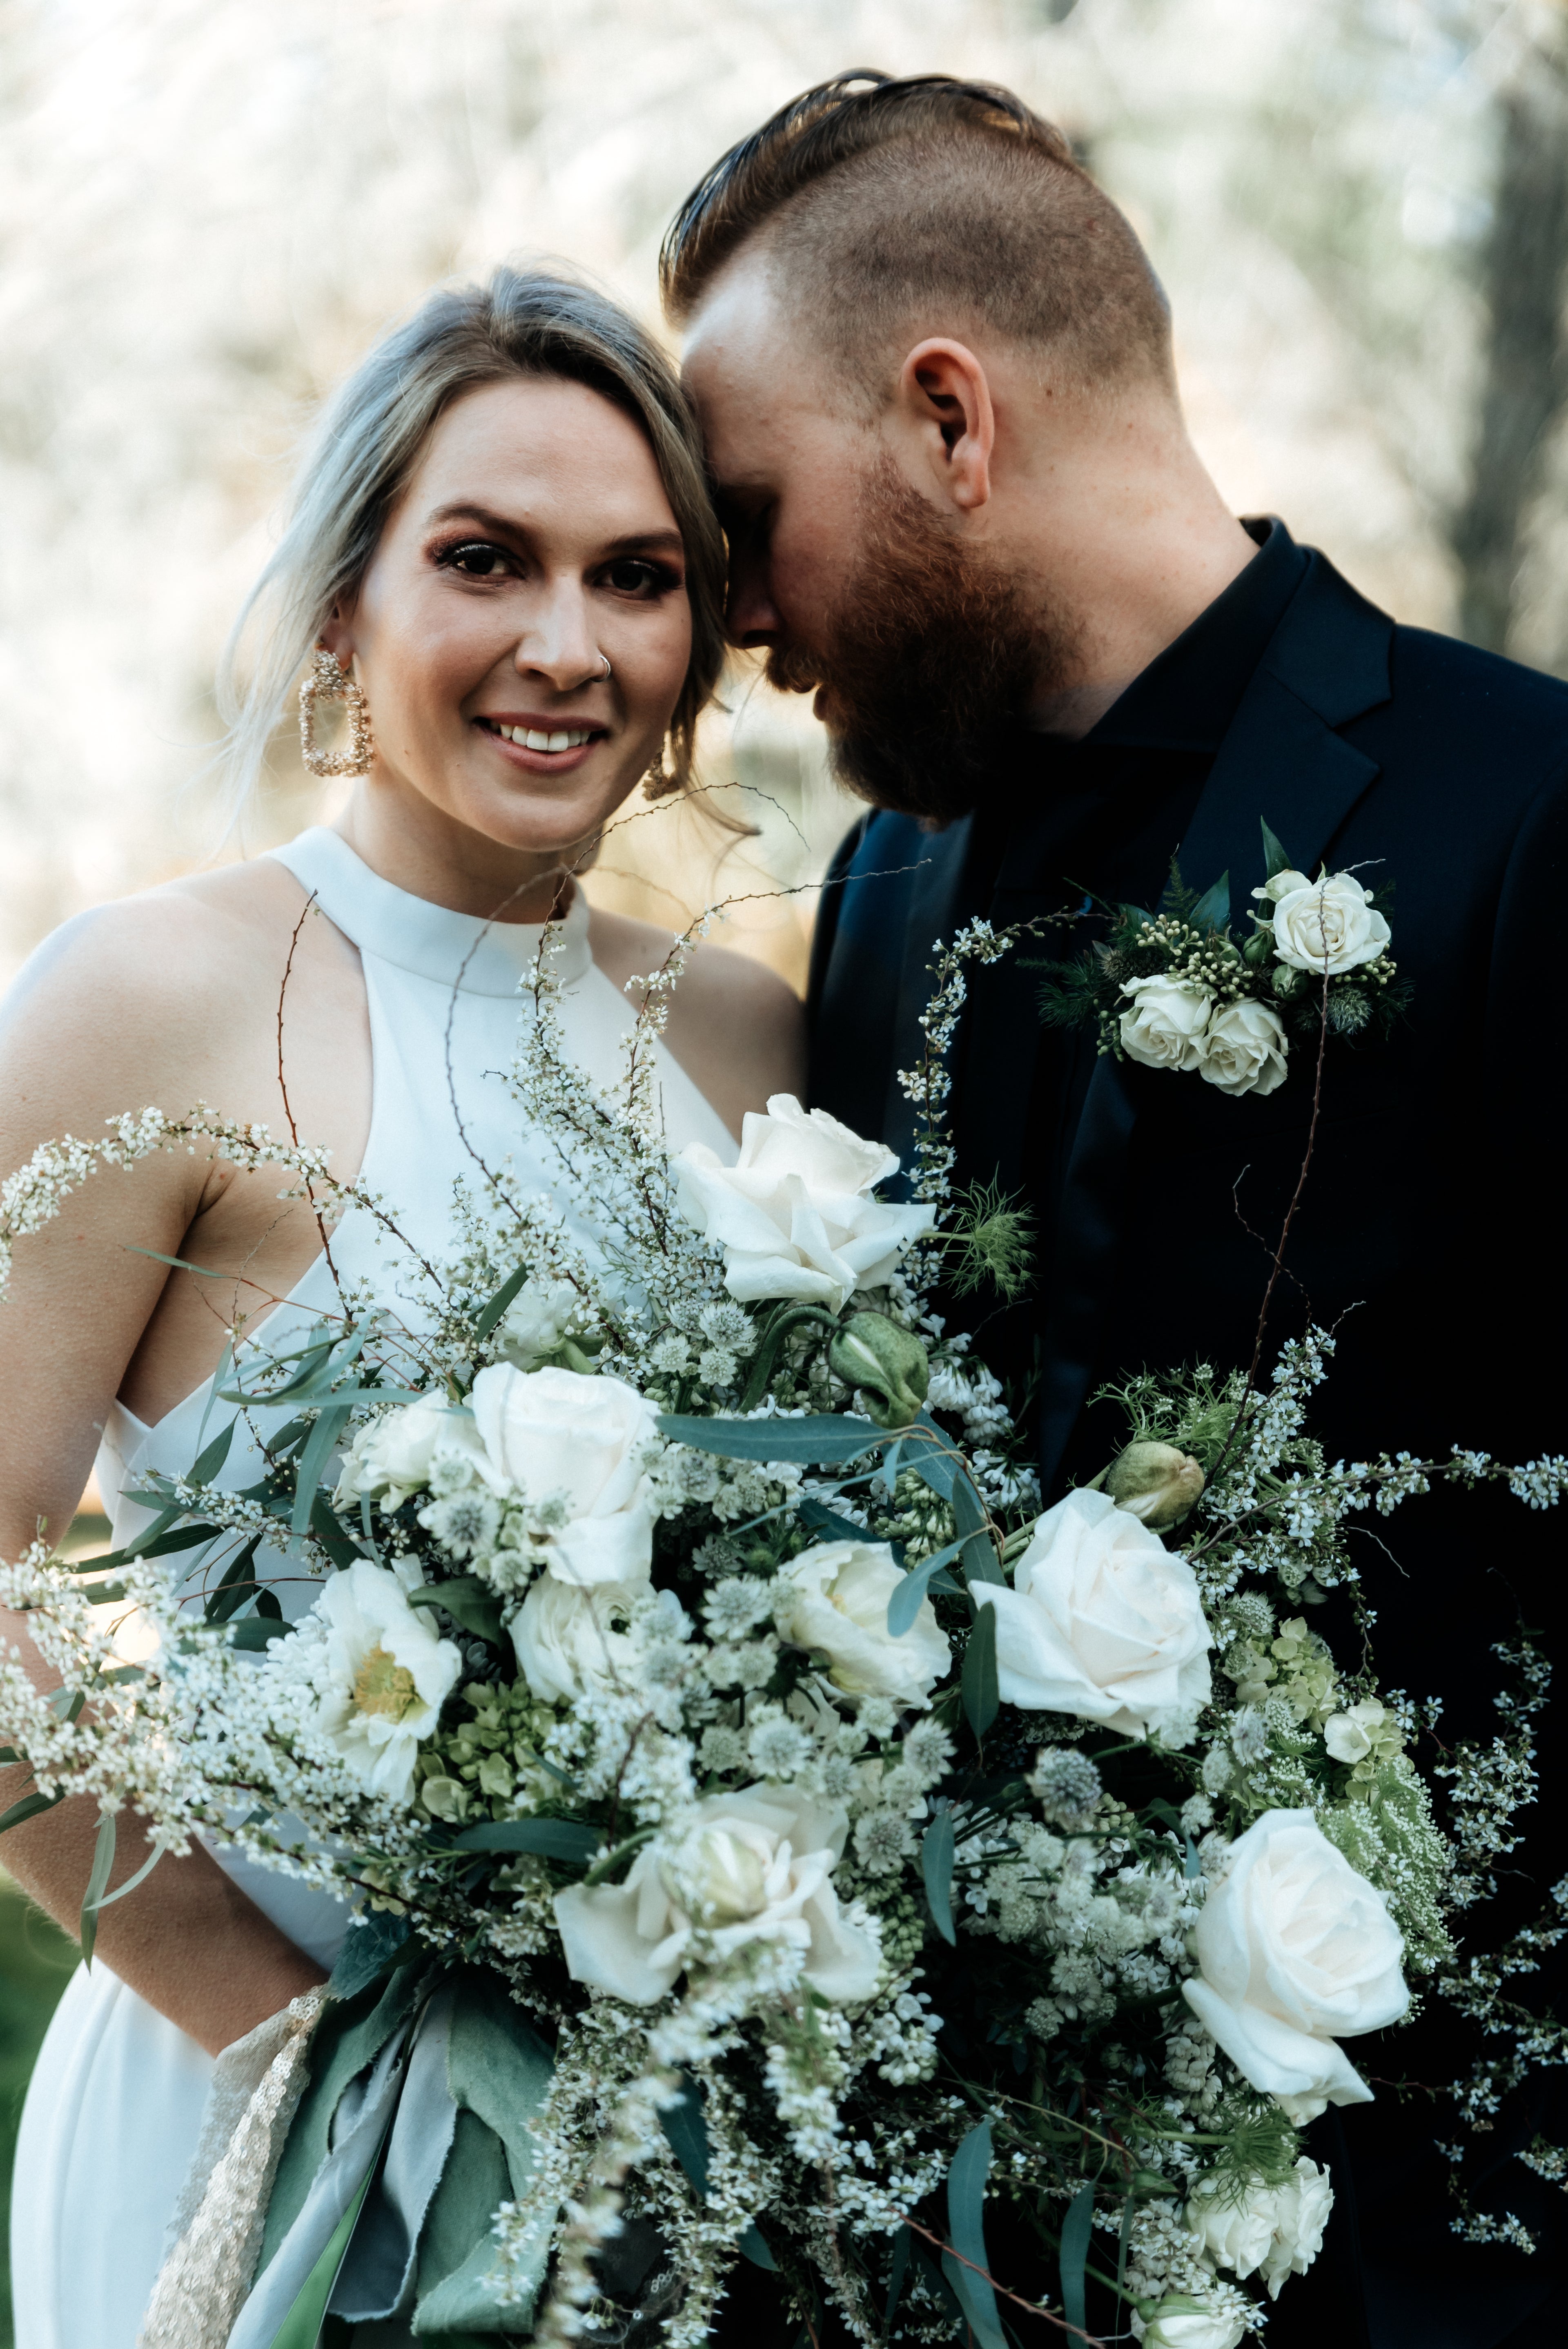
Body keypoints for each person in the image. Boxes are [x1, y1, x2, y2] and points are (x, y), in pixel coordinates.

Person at [665, 71, 1567, 2349]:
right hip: (960, 2231)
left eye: (751, 511)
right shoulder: (876, 885)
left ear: (952, 418)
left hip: (1443, 2221)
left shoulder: (1525, 811)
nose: (731, 610)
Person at [0, 262, 800, 2347]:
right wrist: (285, 2039)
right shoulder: (145, 999)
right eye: (483, 559)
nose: (566, 643)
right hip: (268, 2119)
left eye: (637, 577)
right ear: (346, 602)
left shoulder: (749, 1043)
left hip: (681, 2155)